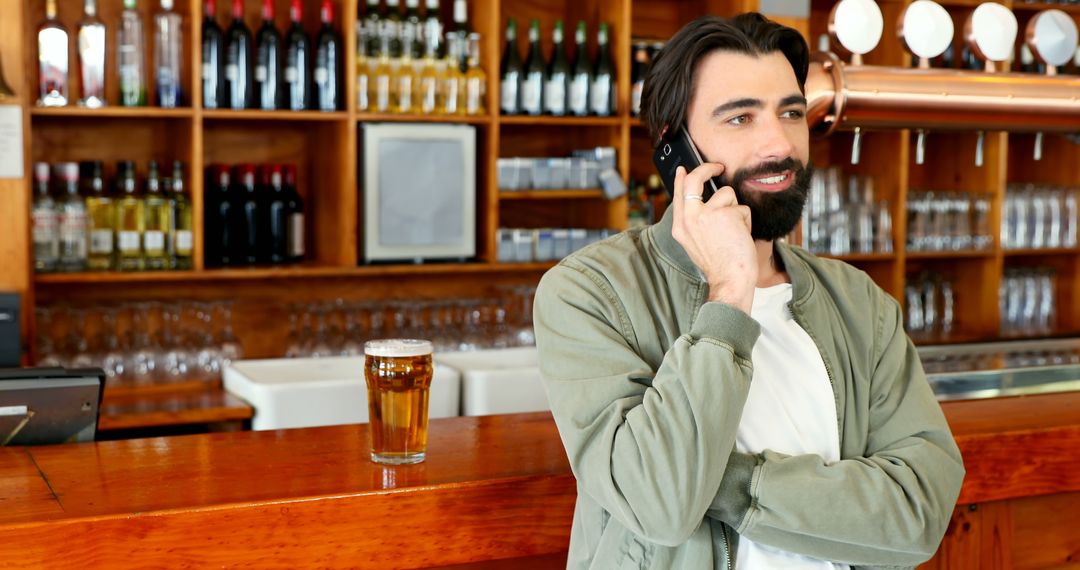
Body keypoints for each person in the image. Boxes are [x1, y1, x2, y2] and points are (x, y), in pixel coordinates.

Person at [532, 13, 965, 570]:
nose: (779, 143)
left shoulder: (859, 302)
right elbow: (660, 505)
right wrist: (730, 289)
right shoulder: (590, 292)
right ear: (675, 149)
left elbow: (919, 514)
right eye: (740, 117)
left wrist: (719, 482)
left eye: (790, 112)